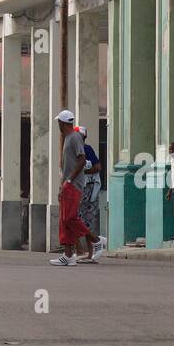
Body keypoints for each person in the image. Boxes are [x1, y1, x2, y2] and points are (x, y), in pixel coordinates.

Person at [50, 110, 106, 266]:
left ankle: (96, 240)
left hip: (74, 184)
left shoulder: (74, 138)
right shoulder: (68, 138)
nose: (59, 125)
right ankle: (68, 255)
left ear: (63, 123)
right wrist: (62, 185)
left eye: (59, 123)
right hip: (67, 184)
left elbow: (81, 160)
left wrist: (68, 180)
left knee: (69, 218)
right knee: (64, 220)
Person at [76, 129, 103, 260]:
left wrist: (81, 172)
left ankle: (92, 248)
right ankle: (83, 251)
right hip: (81, 189)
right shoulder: (74, 149)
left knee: (86, 221)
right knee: (82, 221)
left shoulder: (86, 149)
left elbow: (98, 167)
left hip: (89, 189)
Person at [162, 142, 174, 236]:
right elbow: (173, 177)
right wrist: (170, 191)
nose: (171, 151)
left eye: (173, 149)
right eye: (170, 149)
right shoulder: (172, 161)